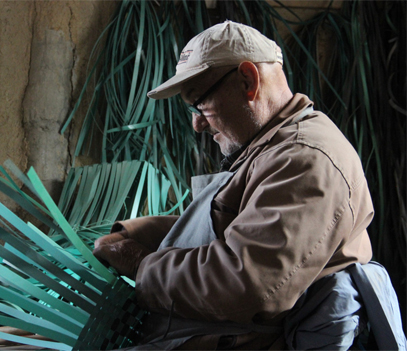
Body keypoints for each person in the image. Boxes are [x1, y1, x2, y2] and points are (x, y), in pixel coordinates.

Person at [93, 20, 375, 350]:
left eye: (199, 103)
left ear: (247, 81)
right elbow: (236, 230)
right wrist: (134, 233)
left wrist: (141, 264)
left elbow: (246, 283)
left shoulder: (305, 160)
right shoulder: (268, 147)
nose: (197, 124)